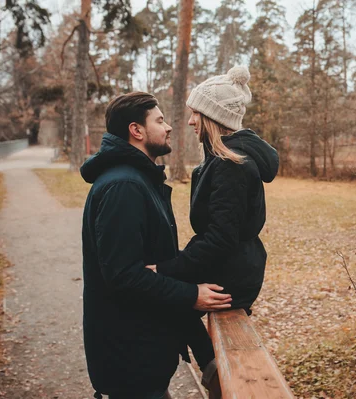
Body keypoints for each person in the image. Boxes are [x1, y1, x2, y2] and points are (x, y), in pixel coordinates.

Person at [80, 92, 232, 399]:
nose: (169, 127)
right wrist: (191, 295)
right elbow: (124, 276)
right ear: (136, 131)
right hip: (129, 359)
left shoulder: (139, 180)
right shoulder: (124, 186)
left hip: (141, 352)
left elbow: (155, 261)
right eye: (159, 120)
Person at [155, 65, 279, 391]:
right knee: (164, 289)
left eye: (196, 113)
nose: (191, 120)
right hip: (234, 264)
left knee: (161, 291)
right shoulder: (221, 160)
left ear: (212, 117)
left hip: (233, 273)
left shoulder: (230, 165)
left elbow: (220, 238)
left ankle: (213, 369)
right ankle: (211, 367)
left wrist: (169, 268)